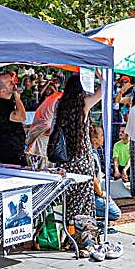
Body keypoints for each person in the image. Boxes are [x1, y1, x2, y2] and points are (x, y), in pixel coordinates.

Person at [51, 72, 103, 222]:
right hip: (81, 156)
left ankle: (67, 231)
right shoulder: (84, 104)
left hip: (65, 158)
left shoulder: (60, 104)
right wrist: (99, 73)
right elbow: (105, 89)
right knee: (83, 201)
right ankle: (80, 232)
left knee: (67, 199)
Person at [0, 72, 28, 165]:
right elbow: (21, 117)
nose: (14, 84)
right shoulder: (0, 105)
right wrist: (18, 98)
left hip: (11, 151)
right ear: (3, 90)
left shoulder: (5, 100)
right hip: (8, 154)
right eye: (10, 83)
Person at [27, 84, 63, 169]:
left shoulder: (53, 99)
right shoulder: (56, 100)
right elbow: (47, 128)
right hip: (40, 144)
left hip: (41, 142)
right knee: (42, 168)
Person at [88, 126, 121, 221]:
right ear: (95, 140)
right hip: (93, 194)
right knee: (116, 213)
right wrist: (101, 193)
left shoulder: (94, 152)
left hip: (94, 193)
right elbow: (92, 177)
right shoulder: (92, 154)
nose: (104, 138)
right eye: (102, 135)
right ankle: (91, 211)